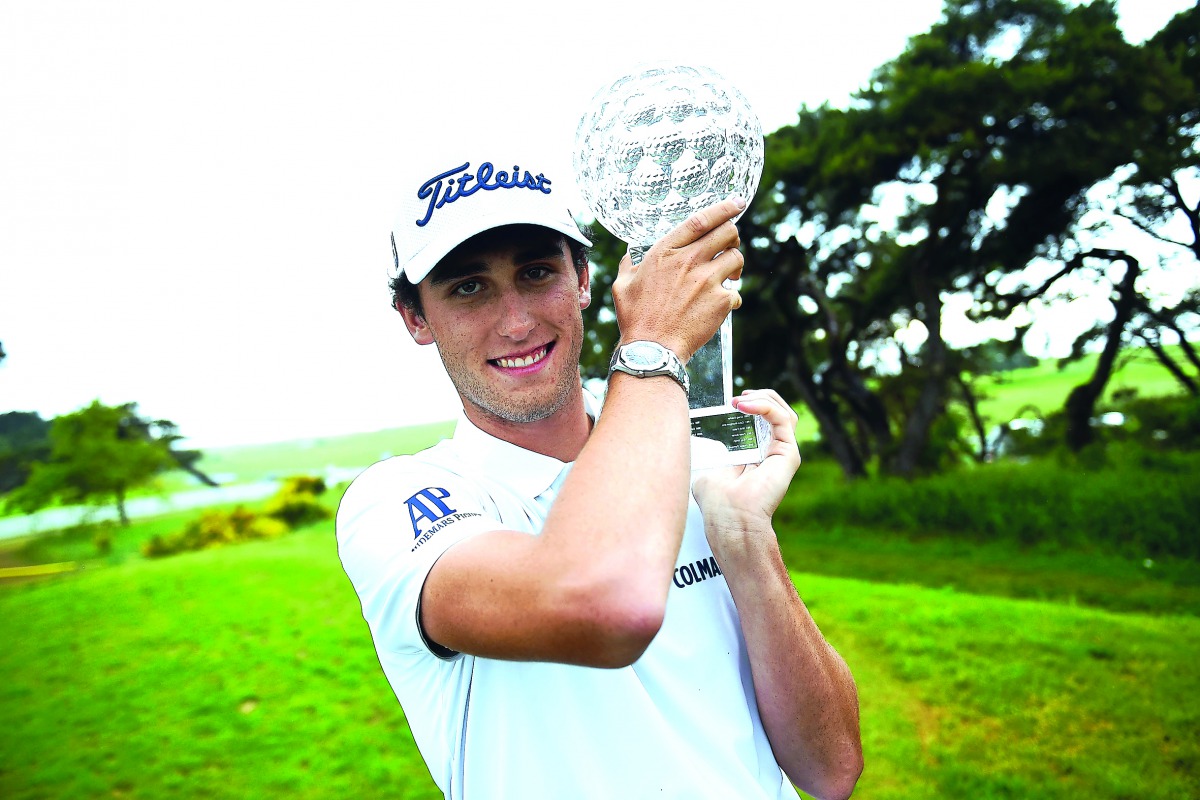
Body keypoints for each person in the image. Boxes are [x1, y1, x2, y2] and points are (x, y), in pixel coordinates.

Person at [336, 149, 863, 800]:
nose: (518, 321)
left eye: (536, 273)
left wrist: (744, 539)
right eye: (468, 287)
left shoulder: (686, 448)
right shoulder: (400, 501)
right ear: (416, 318)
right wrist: (654, 348)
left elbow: (832, 770)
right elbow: (609, 606)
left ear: (583, 280)